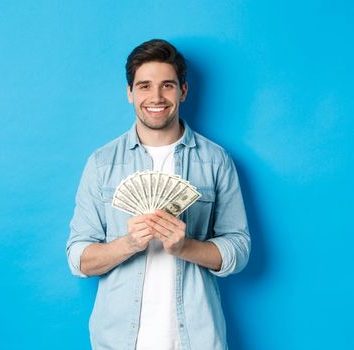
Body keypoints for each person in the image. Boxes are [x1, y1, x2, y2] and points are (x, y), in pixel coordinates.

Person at [65, 39, 251, 350]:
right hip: (117, 341)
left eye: (167, 85)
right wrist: (128, 244)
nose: (156, 97)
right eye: (144, 86)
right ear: (129, 93)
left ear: (183, 91)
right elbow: (78, 258)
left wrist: (185, 246)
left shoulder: (216, 160)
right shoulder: (101, 164)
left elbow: (239, 248)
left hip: (197, 339)